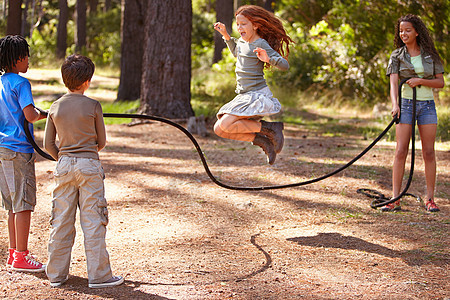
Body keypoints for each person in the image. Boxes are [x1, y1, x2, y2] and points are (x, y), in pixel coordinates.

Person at [43, 54, 123, 288]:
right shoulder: (93, 105)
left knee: (61, 219)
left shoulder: (55, 107)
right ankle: (99, 276)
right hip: (89, 165)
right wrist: (86, 153)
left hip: (64, 165)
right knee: (93, 220)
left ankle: (56, 274)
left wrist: (64, 158)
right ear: (87, 80)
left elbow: (48, 144)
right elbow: (102, 141)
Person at [213, 5, 293, 165]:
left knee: (225, 123)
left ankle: (271, 128)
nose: (239, 27)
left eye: (243, 24)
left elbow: (285, 65)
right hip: (243, 95)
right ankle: (263, 141)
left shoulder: (260, 43)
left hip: (256, 94)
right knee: (219, 129)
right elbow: (237, 51)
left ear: (255, 25)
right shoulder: (242, 41)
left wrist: (268, 59)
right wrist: (226, 37)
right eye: (238, 24)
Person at [384, 14, 445, 212]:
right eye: (401, 31)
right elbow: (394, 83)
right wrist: (395, 105)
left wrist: (420, 81)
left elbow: (440, 82)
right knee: (401, 150)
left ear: (417, 32)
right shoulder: (396, 55)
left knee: (428, 152)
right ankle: (395, 198)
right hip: (406, 104)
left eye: (408, 30)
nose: (403, 34)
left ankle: (430, 198)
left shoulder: (430, 55)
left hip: (427, 105)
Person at [0, 35, 47, 272]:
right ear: (18, 59)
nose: (28, 60)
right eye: (26, 56)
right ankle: (21, 255)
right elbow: (30, 115)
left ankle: (12, 253)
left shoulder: (0, 83)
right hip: (19, 151)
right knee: (24, 204)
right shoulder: (21, 84)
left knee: (12, 205)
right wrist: (44, 114)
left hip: (2, 150)